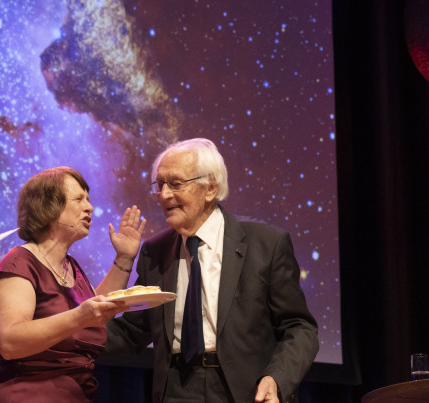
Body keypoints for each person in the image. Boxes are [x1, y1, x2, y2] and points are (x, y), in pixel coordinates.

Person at [104, 138, 319, 403]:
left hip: (246, 390)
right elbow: (133, 331)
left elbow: (300, 328)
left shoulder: (266, 244)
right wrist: (66, 332)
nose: (165, 194)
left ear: (211, 188)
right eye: (160, 185)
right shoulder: (154, 252)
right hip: (176, 389)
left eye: (176, 184)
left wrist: (276, 379)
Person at [0, 166, 146, 402]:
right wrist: (79, 317)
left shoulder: (71, 267)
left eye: (89, 199)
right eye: (79, 199)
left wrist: (124, 258)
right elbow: (9, 342)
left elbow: (95, 314)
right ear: (49, 207)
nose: (89, 207)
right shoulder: (20, 262)